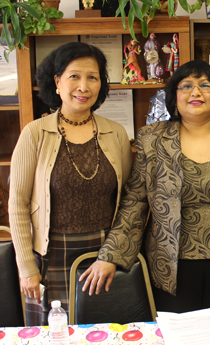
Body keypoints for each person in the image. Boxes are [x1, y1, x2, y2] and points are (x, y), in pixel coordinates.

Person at [80, 60, 210, 318]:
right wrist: (111, 254)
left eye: (205, 85)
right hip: (170, 264)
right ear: (174, 98)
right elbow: (135, 202)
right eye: (186, 86)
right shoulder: (152, 138)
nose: (195, 92)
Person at [9, 42, 133, 325]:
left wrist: (114, 254)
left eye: (93, 77)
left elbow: (129, 200)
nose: (84, 86)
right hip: (51, 256)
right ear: (56, 81)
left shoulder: (116, 133)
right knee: (55, 334)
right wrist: (26, 266)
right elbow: (17, 203)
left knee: (106, 331)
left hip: (103, 255)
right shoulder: (34, 133)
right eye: (74, 76)